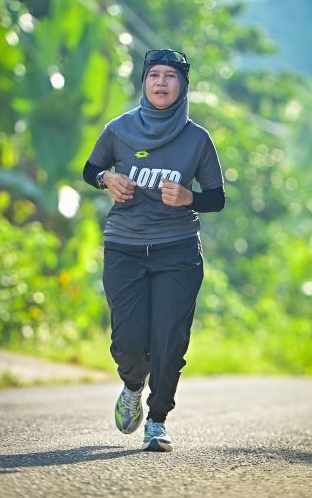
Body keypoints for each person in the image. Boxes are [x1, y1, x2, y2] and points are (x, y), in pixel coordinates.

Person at [83, 48, 225, 452]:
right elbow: (90, 170)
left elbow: (216, 198)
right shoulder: (119, 129)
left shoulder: (197, 139)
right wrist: (107, 179)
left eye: (170, 76)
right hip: (124, 247)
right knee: (128, 343)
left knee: (169, 341)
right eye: (154, 75)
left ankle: (158, 420)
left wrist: (188, 198)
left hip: (177, 251)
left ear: (183, 85)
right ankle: (132, 385)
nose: (161, 82)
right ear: (144, 82)